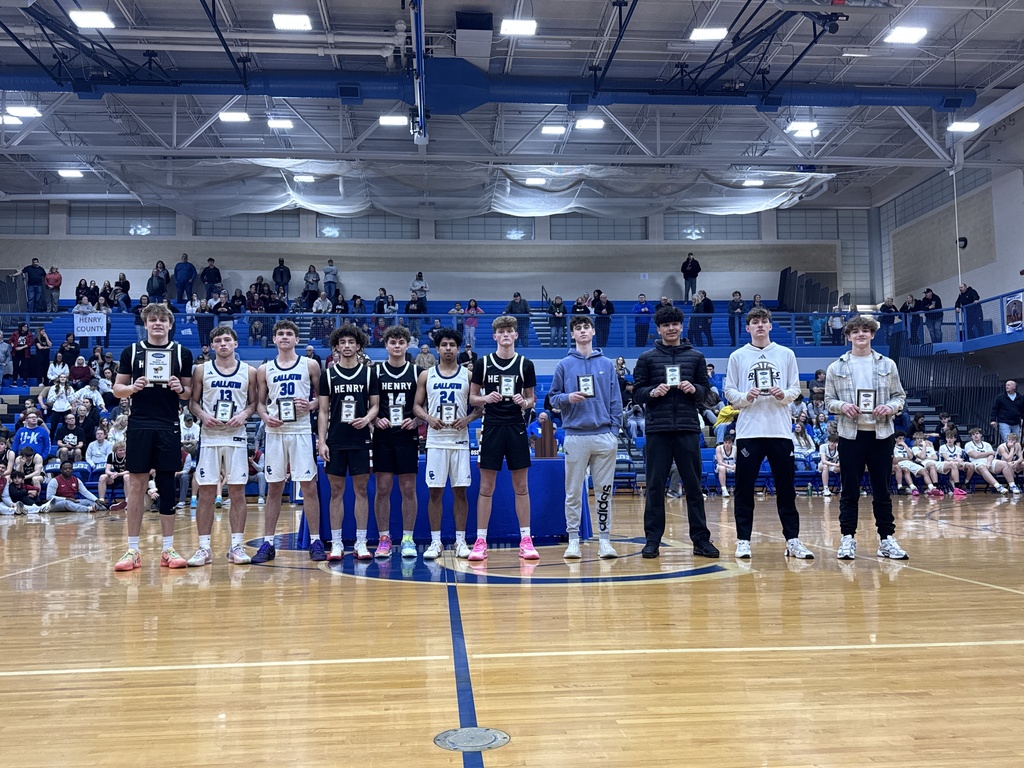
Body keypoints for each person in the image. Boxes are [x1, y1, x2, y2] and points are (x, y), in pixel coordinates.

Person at [724, 306, 814, 561]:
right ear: (748, 327)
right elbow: (729, 391)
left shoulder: (785, 354)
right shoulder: (738, 356)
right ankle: (743, 540)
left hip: (780, 431)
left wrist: (783, 395)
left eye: (764, 321)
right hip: (749, 431)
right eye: (755, 322)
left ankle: (793, 540)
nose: (760, 325)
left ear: (771, 326)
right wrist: (746, 396)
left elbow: (795, 388)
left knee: (786, 488)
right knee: (743, 488)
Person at [112, 302, 194, 571]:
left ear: (170, 324)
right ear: (145, 324)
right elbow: (116, 389)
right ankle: (132, 550)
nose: (157, 323)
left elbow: (188, 394)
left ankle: (167, 548)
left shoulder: (182, 352)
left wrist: (179, 387)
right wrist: (131, 388)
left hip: (168, 423)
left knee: (167, 485)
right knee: (136, 485)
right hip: (139, 424)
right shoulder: (131, 351)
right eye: (152, 320)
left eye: (162, 320)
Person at [633, 305, 719, 559]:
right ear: (658, 329)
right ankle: (652, 541)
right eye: (666, 325)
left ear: (681, 326)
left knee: (693, 487)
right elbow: (636, 392)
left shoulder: (696, 357)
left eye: (675, 324)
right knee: (655, 487)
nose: (671, 328)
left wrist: (695, 390)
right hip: (657, 430)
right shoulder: (647, 358)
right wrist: (651, 393)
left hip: (687, 428)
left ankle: (701, 540)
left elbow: (709, 394)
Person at [548, 314, 622, 559]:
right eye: (577, 328)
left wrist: (614, 432)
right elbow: (552, 398)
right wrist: (567, 398)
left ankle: (604, 540)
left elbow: (615, 400)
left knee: (604, 491)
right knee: (572, 491)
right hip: (575, 435)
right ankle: (573, 540)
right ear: (572, 333)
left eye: (586, 327)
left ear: (592, 332)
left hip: (603, 435)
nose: (582, 331)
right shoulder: (563, 365)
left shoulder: (608, 364)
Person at [468, 315, 538, 561]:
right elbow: (473, 398)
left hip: (516, 428)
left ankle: (526, 539)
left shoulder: (525, 364)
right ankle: (480, 541)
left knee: (521, 487)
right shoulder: (483, 363)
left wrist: (524, 402)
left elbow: (532, 399)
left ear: (516, 335)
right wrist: (486, 399)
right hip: (492, 427)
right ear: (495, 336)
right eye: (501, 331)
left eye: (510, 331)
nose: (506, 335)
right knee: (486, 488)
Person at [186, 325, 258, 566]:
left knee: (237, 492)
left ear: (235, 344)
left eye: (227, 339)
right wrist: (203, 416)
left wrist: (245, 415)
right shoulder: (201, 370)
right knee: (206, 492)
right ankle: (204, 548)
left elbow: (254, 403)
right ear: (212, 346)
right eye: (218, 340)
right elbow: (193, 403)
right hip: (210, 436)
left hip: (236, 437)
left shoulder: (249, 371)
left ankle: (236, 546)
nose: (223, 343)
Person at [254, 320, 322, 562]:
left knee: (309, 487)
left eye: (289, 334)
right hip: (275, 432)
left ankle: (315, 540)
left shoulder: (310, 365)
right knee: (274, 488)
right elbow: (260, 404)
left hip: (302, 430)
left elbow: (323, 398)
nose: (284, 337)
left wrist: (312, 404)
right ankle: (268, 543)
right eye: (280, 334)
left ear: (297, 340)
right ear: (274, 339)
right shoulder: (265, 369)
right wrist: (265, 417)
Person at [414, 328, 480, 559]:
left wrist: (469, 418)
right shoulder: (427, 375)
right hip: (436, 441)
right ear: (437, 348)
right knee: (435, 492)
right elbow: (416, 406)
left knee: (460, 492)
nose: (448, 348)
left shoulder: (468, 375)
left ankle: (461, 541)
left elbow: (480, 407)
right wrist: (429, 418)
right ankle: (436, 542)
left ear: (459, 348)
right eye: (444, 345)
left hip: (460, 441)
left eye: (452, 344)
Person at [318, 325, 378, 560]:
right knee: (336, 492)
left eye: (351, 342)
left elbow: (375, 405)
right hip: (336, 440)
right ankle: (336, 542)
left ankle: (361, 542)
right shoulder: (329, 375)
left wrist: (367, 418)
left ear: (359, 346)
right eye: (342, 342)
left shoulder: (369, 373)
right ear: (336, 347)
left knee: (361, 490)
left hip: (361, 439)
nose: (346, 346)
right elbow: (323, 412)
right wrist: (322, 441)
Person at [371, 325, 422, 559]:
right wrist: (374, 421)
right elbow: (366, 404)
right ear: (386, 345)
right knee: (382, 488)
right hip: (382, 435)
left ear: (408, 344)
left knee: (408, 488)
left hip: (406, 434)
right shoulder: (375, 371)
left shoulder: (417, 372)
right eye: (393, 342)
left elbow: (426, 405)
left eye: (401, 342)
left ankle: (408, 538)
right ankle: (384, 538)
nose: (397, 346)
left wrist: (416, 420)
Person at [964, 426, 1012, 493]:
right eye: (973, 434)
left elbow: (991, 455)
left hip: (989, 461)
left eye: (977, 433)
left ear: (980, 434)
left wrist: (989, 462)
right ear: (971, 436)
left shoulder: (987, 444)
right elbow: (975, 455)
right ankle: (998, 486)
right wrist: (988, 452)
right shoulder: (968, 444)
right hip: (977, 462)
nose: (975, 436)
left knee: (1005, 464)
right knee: (982, 467)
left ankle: (1012, 485)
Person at [938, 430, 973, 497]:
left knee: (971, 465)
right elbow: (946, 459)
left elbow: (958, 457)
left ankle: (966, 482)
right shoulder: (942, 447)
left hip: (956, 463)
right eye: (948, 438)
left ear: (955, 439)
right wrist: (957, 460)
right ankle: (952, 483)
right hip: (945, 464)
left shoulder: (958, 448)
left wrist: (959, 461)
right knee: (953, 464)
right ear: (946, 438)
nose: (949, 440)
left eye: (951, 438)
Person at [989, 380, 1023, 444]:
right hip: (1004, 422)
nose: (1006, 387)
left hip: (1016, 423)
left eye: (1009, 385)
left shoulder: (1020, 398)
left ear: (1014, 387)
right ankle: (1008, 454)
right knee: (1007, 440)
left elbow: (1022, 410)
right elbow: (994, 409)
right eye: (1006, 385)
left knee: (1017, 441)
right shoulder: (1000, 397)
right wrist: (993, 420)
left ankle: (1015, 453)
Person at [715, 432, 737, 497]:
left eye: (729, 443)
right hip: (722, 466)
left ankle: (740, 489)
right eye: (725, 442)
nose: (727, 445)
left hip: (732, 466)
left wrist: (736, 466)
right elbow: (720, 462)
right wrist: (730, 467)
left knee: (741, 468)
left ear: (732, 443)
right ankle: (724, 490)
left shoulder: (735, 448)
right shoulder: (719, 448)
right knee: (722, 468)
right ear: (723, 442)